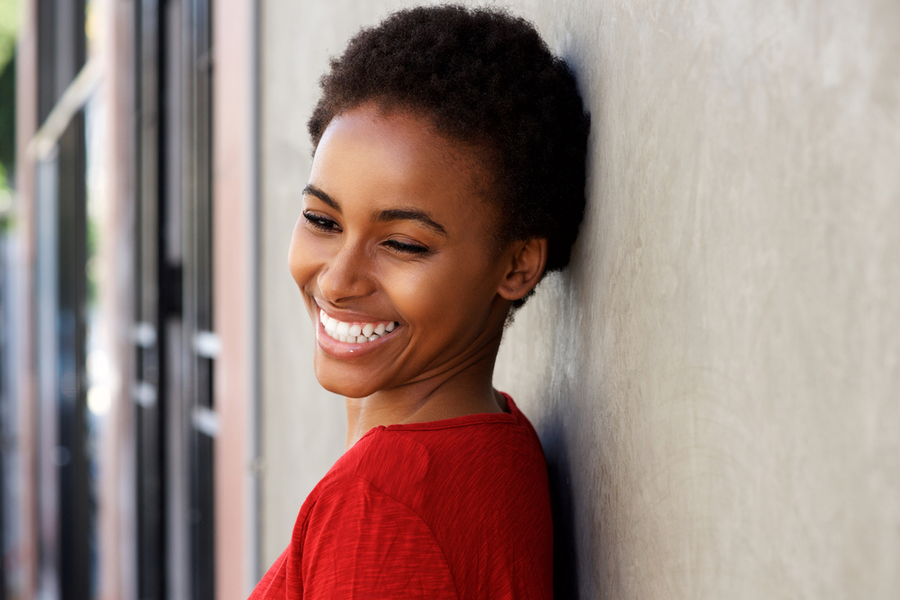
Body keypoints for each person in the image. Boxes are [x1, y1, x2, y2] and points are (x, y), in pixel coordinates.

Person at [250, 5, 589, 599]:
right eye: (321, 219)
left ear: (516, 265)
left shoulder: (379, 508)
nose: (336, 281)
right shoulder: (494, 436)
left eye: (402, 244)